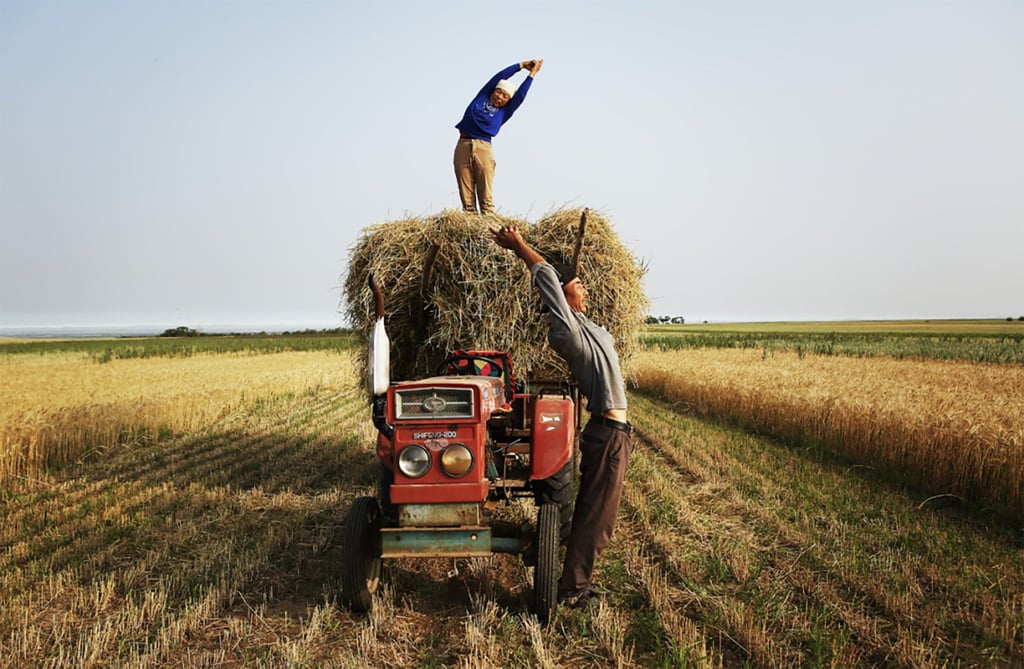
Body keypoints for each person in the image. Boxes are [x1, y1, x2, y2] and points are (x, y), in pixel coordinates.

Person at [490, 223, 633, 608]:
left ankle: (574, 582)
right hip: (608, 433)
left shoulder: (589, 328)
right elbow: (546, 276)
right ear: (561, 296)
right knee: (597, 520)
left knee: (598, 515)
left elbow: (566, 286)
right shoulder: (567, 332)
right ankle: (572, 589)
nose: (586, 288)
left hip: (615, 433)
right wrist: (520, 245)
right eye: (579, 285)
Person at [455, 60, 543, 214]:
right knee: (466, 197)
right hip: (463, 145)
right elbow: (499, 77)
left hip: (483, 148)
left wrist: (532, 75)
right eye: (499, 92)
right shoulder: (482, 97)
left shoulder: (504, 112)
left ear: (508, 102)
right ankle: (469, 226)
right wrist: (521, 66)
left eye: (505, 97)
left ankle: (490, 226)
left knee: (485, 196)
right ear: (493, 91)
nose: (500, 97)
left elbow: (520, 96)